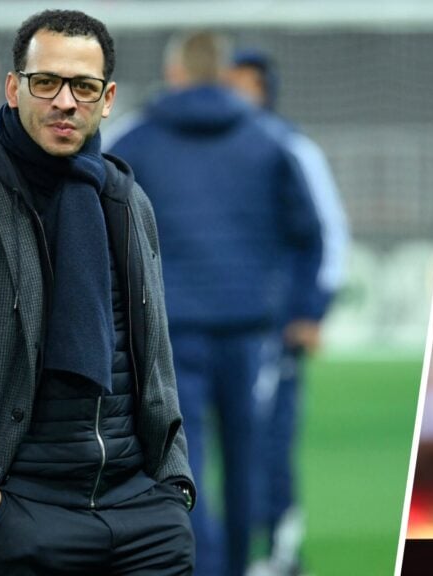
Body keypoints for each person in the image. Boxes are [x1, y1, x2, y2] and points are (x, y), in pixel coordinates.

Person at [0, 10, 196, 576]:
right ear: (13, 89)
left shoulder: (128, 201)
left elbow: (156, 362)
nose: (65, 102)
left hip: (142, 519)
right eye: (46, 82)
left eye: (84, 87)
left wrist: (174, 488)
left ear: (108, 98)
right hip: (18, 519)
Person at [108, 32, 323, 576]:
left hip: (167, 331)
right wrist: (303, 308)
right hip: (250, 331)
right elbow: (310, 233)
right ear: (223, 73)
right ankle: (238, 563)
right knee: (247, 458)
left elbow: (99, 231)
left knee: (180, 461)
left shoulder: (135, 141)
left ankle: (199, 565)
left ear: (174, 72)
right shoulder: (269, 140)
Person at [228, 50, 348, 576]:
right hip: (217, 326)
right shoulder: (214, 152)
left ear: (264, 90)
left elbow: (329, 234)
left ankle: (280, 551)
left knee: (268, 439)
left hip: (274, 327)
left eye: (242, 85)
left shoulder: (292, 148)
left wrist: (311, 311)